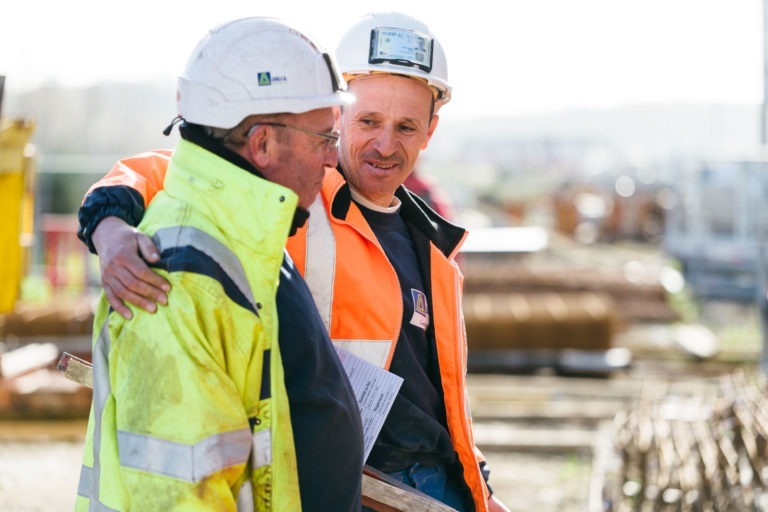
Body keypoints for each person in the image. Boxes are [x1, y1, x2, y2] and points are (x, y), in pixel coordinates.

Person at [77, 12, 509, 512]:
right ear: (339, 115)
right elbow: (179, 169)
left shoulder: (433, 246)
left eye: (406, 126)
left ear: (429, 131)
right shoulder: (296, 192)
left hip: (428, 488)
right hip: (360, 487)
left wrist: (479, 489)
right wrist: (109, 229)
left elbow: (443, 395)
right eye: (368, 121)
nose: (386, 145)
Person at [75, 17, 364, 511]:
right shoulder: (179, 283)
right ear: (263, 143)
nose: (333, 159)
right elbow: (180, 494)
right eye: (324, 139)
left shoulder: (249, 240)